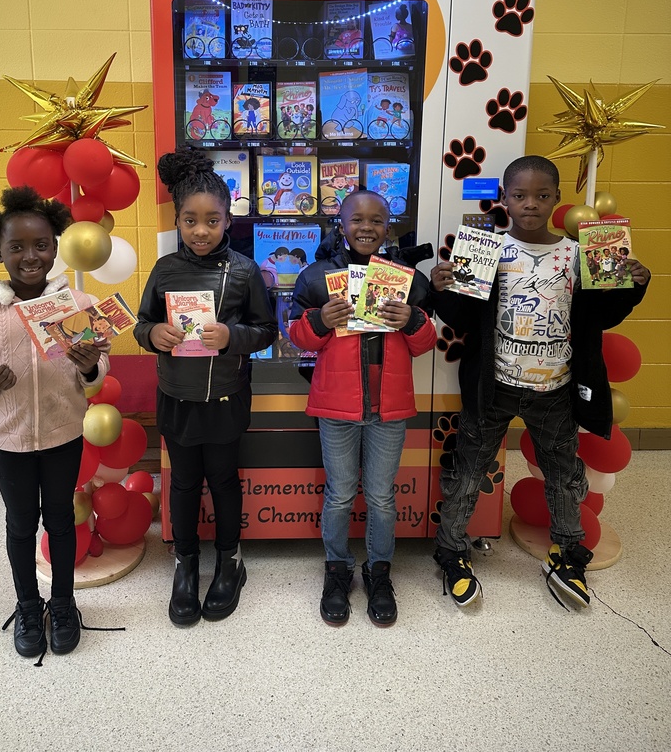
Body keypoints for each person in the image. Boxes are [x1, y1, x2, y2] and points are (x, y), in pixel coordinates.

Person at [428, 155, 651, 610]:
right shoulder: (486, 250)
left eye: (542, 195)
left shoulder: (579, 255)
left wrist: (632, 286)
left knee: (564, 477)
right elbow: (463, 319)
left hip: (555, 389)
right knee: (468, 471)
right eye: (520, 195)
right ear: (505, 199)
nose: (530, 203)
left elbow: (600, 317)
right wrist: (442, 289)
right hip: (493, 388)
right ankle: (451, 552)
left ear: (555, 199)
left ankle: (568, 554)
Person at [0, 186, 109, 660]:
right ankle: (28, 605)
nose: (30, 256)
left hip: (63, 435)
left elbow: (101, 369)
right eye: (16, 246)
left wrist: (89, 367)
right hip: (9, 439)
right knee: (20, 525)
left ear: (56, 248)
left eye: (41, 245)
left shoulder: (77, 302)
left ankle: (63, 604)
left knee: (60, 519)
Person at [135, 148, 277, 627]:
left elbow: (266, 330)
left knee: (222, 480)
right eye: (190, 221)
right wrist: (153, 335)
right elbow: (142, 323)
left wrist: (232, 336)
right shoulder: (164, 270)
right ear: (177, 220)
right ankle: (186, 563)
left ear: (228, 219)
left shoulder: (244, 270)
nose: (201, 231)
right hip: (177, 397)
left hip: (225, 398)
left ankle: (230, 561)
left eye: (212, 221)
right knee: (182, 482)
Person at [289, 191, 437, 627]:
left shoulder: (408, 280)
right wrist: (321, 320)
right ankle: (337, 569)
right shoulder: (317, 277)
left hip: (390, 406)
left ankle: (379, 571)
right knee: (339, 494)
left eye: (376, 220)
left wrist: (412, 319)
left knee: (381, 496)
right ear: (341, 224)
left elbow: (425, 343)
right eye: (357, 219)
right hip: (337, 405)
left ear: (388, 226)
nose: (366, 227)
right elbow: (297, 337)